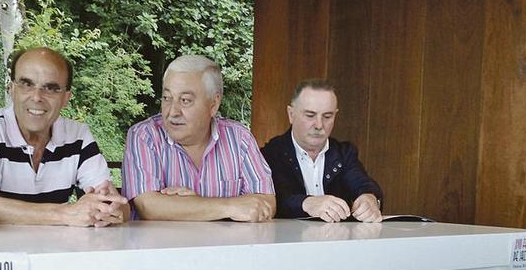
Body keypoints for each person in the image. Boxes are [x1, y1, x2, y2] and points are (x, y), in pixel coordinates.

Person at [0, 47, 127, 227]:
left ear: (65, 98)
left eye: (51, 88)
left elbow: (117, 204)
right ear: (12, 89)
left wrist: (111, 209)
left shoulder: (78, 135)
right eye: (26, 84)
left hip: (56, 250)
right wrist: (65, 214)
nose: (37, 97)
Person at [122, 55, 275, 222]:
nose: (172, 112)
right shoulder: (145, 136)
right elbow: (148, 207)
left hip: (227, 246)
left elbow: (265, 203)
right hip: (164, 247)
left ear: (213, 104)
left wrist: (186, 207)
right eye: (167, 98)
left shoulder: (239, 139)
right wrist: (230, 206)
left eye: (185, 100)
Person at [261, 79, 383, 222]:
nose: (319, 125)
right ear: (291, 114)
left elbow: (362, 184)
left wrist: (369, 198)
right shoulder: (270, 154)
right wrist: (307, 203)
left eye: (327, 116)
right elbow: (271, 200)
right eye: (310, 115)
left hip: (337, 241)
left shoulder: (344, 153)